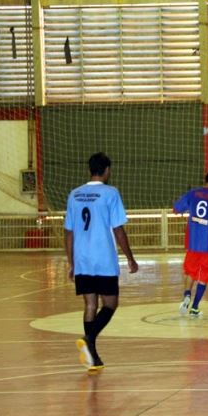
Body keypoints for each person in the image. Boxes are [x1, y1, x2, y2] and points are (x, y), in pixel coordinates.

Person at [65, 152, 138, 371]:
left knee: (90, 305)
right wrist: (130, 258)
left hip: (83, 259)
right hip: (103, 258)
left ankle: (92, 356)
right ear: (107, 170)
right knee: (110, 304)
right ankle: (89, 340)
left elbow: (68, 232)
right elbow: (118, 229)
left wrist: (71, 262)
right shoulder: (110, 193)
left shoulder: (74, 194)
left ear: (89, 169)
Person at [174, 169, 208, 316]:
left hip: (193, 241)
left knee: (191, 271)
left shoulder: (193, 193)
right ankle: (195, 307)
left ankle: (186, 296)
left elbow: (176, 208)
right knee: (204, 275)